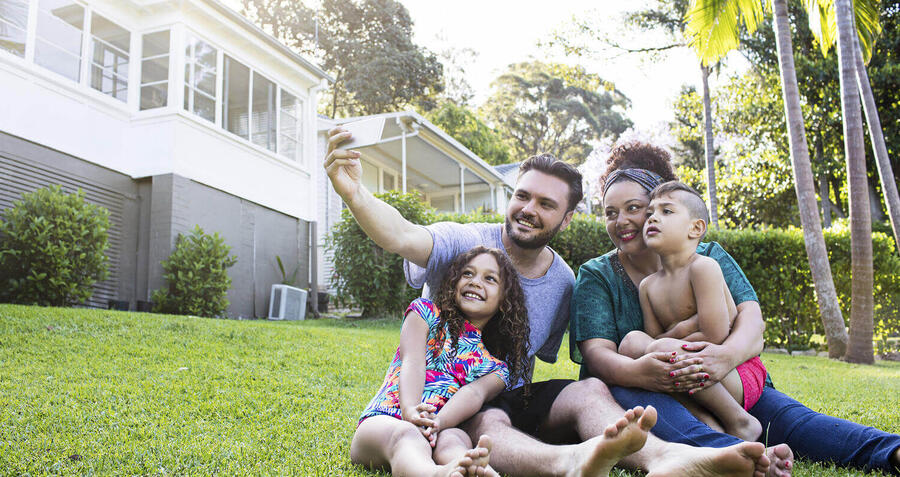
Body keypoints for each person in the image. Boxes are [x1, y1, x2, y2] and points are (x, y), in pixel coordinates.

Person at [326, 126, 775, 477]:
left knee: (589, 390)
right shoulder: (465, 242)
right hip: (451, 408)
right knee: (488, 422)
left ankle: (665, 459)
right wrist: (353, 193)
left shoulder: (563, 280)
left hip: (502, 390)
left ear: (566, 218)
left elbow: (525, 371)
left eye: (545, 203)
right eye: (522, 196)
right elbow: (400, 233)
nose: (528, 209)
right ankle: (571, 463)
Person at [571, 140, 900, 476]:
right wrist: (643, 370)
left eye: (637, 208)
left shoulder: (708, 256)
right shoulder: (598, 274)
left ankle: (892, 451)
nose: (623, 221)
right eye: (611, 212)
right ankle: (733, 453)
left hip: (727, 375)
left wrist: (723, 358)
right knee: (634, 390)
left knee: (791, 419)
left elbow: (752, 323)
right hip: (643, 387)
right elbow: (598, 355)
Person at [351, 246, 529, 477]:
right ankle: (436, 474)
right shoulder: (425, 314)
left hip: (440, 428)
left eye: (490, 279)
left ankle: (467, 468)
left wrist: (438, 423)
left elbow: (473, 395)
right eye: (467, 273)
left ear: (505, 300)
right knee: (407, 435)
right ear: (454, 282)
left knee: (456, 441)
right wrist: (410, 411)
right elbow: (412, 362)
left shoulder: (496, 368)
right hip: (386, 420)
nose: (475, 282)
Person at [617, 181, 763, 442]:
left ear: (695, 228)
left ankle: (740, 421)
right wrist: (665, 345)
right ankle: (712, 428)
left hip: (734, 372)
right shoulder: (648, 286)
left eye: (666, 212)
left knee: (657, 351)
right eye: (650, 213)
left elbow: (715, 334)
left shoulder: (703, 267)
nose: (652, 218)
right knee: (631, 343)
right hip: (692, 374)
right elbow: (653, 340)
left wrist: (669, 342)